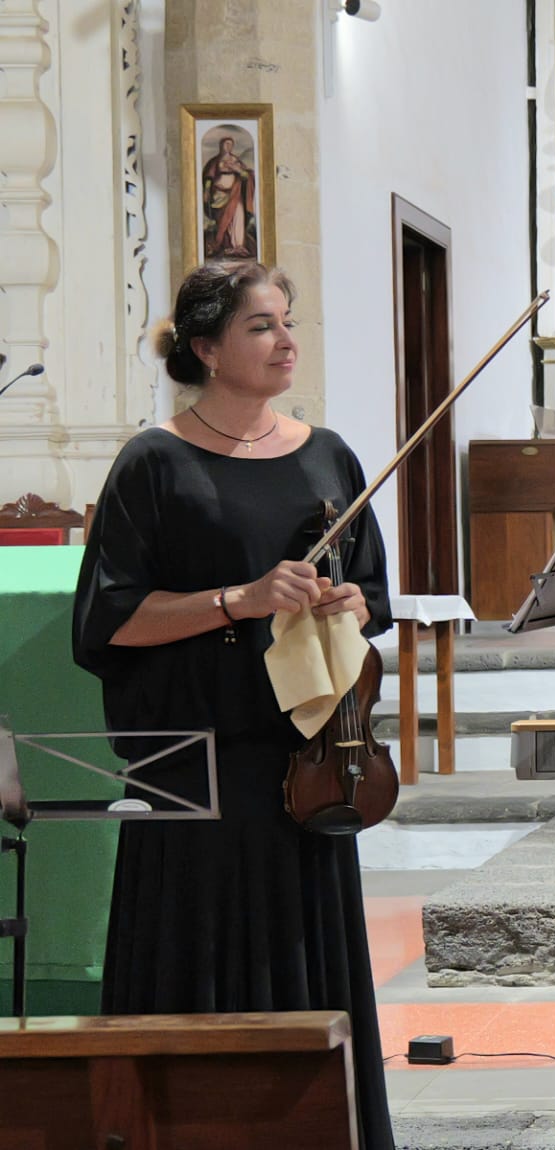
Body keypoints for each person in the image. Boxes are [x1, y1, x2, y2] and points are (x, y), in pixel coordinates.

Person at [73, 261, 394, 1149]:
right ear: (207, 347)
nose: (286, 340)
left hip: (312, 764)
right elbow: (108, 621)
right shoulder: (154, 464)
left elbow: (373, 593)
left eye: (287, 322)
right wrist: (237, 600)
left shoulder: (329, 456)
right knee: (198, 970)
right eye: (261, 326)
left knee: (308, 976)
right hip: (200, 771)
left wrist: (350, 603)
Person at [201, 136, 257, 261]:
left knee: (238, 215)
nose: (228, 147)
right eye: (226, 144)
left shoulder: (235, 160)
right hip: (219, 197)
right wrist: (206, 191)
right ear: (221, 145)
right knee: (224, 221)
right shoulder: (215, 161)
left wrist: (236, 169)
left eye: (231, 144)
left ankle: (238, 246)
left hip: (235, 195)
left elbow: (246, 175)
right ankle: (225, 245)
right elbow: (209, 177)